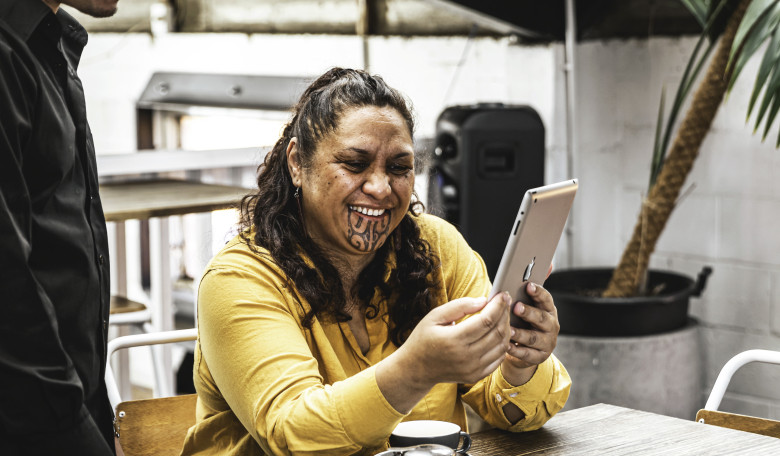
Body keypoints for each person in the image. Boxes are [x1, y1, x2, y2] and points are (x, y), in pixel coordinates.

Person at [181, 67, 571, 456]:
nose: (381, 188)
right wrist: (415, 369)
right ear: (298, 162)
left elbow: (510, 409)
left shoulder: (438, 247)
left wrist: (521, 360)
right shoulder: (239, 279)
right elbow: (293, 433)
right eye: (354, 163)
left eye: (399, 168)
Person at [0, 0, 121, 454]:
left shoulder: (46, 45)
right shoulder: (6, 52)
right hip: (34, 413)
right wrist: (65, 422)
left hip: (70, 395)